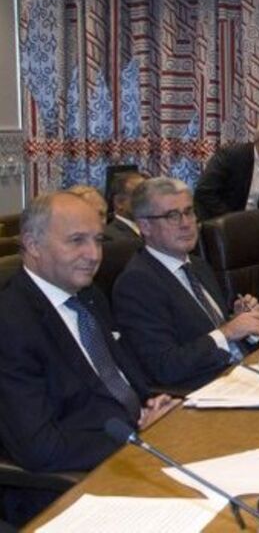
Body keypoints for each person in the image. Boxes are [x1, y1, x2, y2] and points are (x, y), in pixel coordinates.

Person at [0, 193, 174, 524]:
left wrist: (153, 405)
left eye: (97, 240)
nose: (94, 255)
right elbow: (39, 448)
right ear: (33, 245)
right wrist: (135, 438)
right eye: (76, 241)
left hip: (135, 453)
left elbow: (121, 379)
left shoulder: (89, 297)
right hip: (69, 487)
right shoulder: (10, 323)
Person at [112, 178, 259, 392]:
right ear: (145, 226)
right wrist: (228, 331)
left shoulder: (197, 265)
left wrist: (245, 323)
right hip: (205, 392)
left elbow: (208, 331)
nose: (186, 223)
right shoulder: (137, 283)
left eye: (189, 212)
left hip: (245, 374)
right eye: (172, 216)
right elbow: (165, 366)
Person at [193, 120, 259, 219]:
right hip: (221, 221)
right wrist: (232, 220)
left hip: (253, 224)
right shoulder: (232, 156)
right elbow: (205, 191)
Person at [103, 170, 147, 243]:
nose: (146, 200)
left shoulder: (151, 231)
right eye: (140, 196)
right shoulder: (109, 237)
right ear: (119, 202)